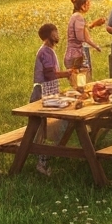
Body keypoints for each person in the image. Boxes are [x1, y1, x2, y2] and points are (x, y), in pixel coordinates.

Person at [31, 23, 74, 176]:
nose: (57, 34)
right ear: (49, 35)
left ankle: (46, 154)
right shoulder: (46, 52)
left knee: (47, 126)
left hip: (49, 93)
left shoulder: (49, 51)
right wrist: (67, 73)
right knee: (46, 126)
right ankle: (42, 159)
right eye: (55, 32)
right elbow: (50, 75)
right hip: (43, 94)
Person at [64, 0, 104, 76]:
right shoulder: (79, 17)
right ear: (83, 6)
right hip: (76, 55)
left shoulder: (75, 16)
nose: (89, 6)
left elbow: (84, 33)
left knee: (78, 82)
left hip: (72, 53)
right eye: (88, 4)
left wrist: (96, 46)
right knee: (83, 81)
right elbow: (81, 37)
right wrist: (96, 46)